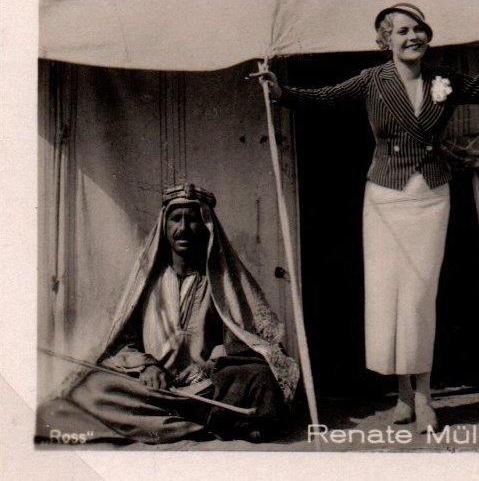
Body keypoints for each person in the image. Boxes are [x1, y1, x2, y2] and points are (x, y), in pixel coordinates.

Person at [255, 3, 479, 432]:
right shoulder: (372, 80)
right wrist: (280, 92)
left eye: (418, 30)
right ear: (385, 40)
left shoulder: (444, 80)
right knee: (387, 296)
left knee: (418, 296)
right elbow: (326, 97)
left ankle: (425, 397)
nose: (413, 37)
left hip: (430, 195)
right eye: (402, 31)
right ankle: (403, 394)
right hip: (384, 197)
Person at [37, 183, 299, 443]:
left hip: (208, 388)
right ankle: (204, 423)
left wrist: (211, 366)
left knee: (261, 378)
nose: (183, 228)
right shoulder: (147, 281)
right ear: (164, 226)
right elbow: (123, 339)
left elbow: (245, 341)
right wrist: (147, 367)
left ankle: (173, 422)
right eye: (176, 219)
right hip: (154, 387)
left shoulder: (222, 282)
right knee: (94, 386)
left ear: (207, 227)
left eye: (193, 220)